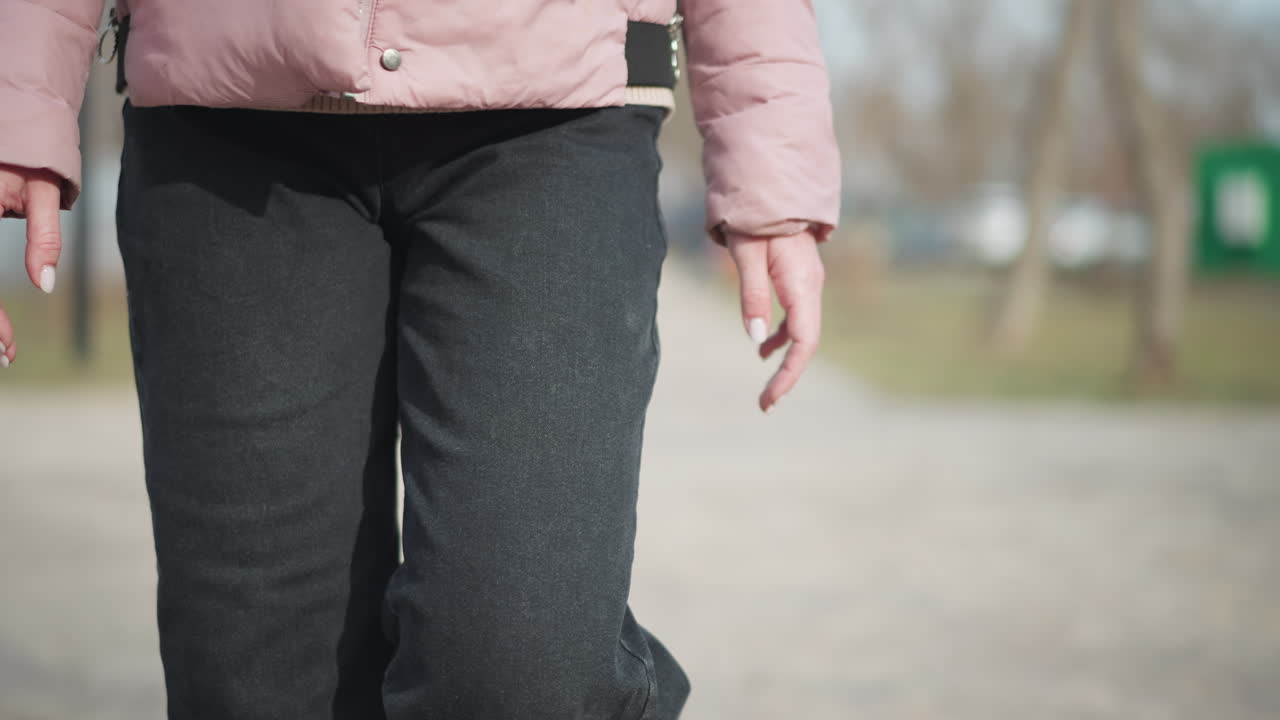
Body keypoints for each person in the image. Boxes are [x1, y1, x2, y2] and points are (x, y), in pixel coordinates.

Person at [0, 1, 840, 718]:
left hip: (556, 111)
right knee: (255, 678)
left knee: (520, 661)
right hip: (224, 116)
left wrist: (774, 164)